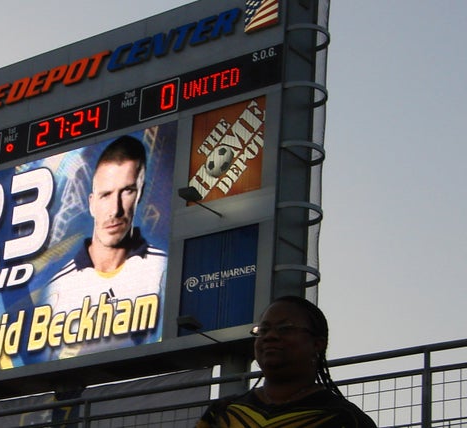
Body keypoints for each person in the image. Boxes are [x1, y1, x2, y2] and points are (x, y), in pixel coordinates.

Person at [42, 135, 167, 356]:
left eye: (127, 191)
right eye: (106, 195)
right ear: (91, 203)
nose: (115, 210)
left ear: (139, 194)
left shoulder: (161, 270)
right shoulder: (58, 286)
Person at [196, 295, 377, 427]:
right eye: (263, 330)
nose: (270, 336)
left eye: (285, 328)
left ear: (317, 344)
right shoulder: (223, 412)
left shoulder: (344, 418)